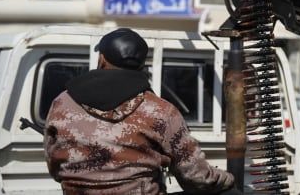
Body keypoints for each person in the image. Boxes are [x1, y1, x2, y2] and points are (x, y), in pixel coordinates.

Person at [44, 28, 235, 194]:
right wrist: (229, 180)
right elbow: (196, 178)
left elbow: (54, 167)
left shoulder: (62, 103)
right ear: (142, 65)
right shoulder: (161, 110)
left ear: (102, 59)